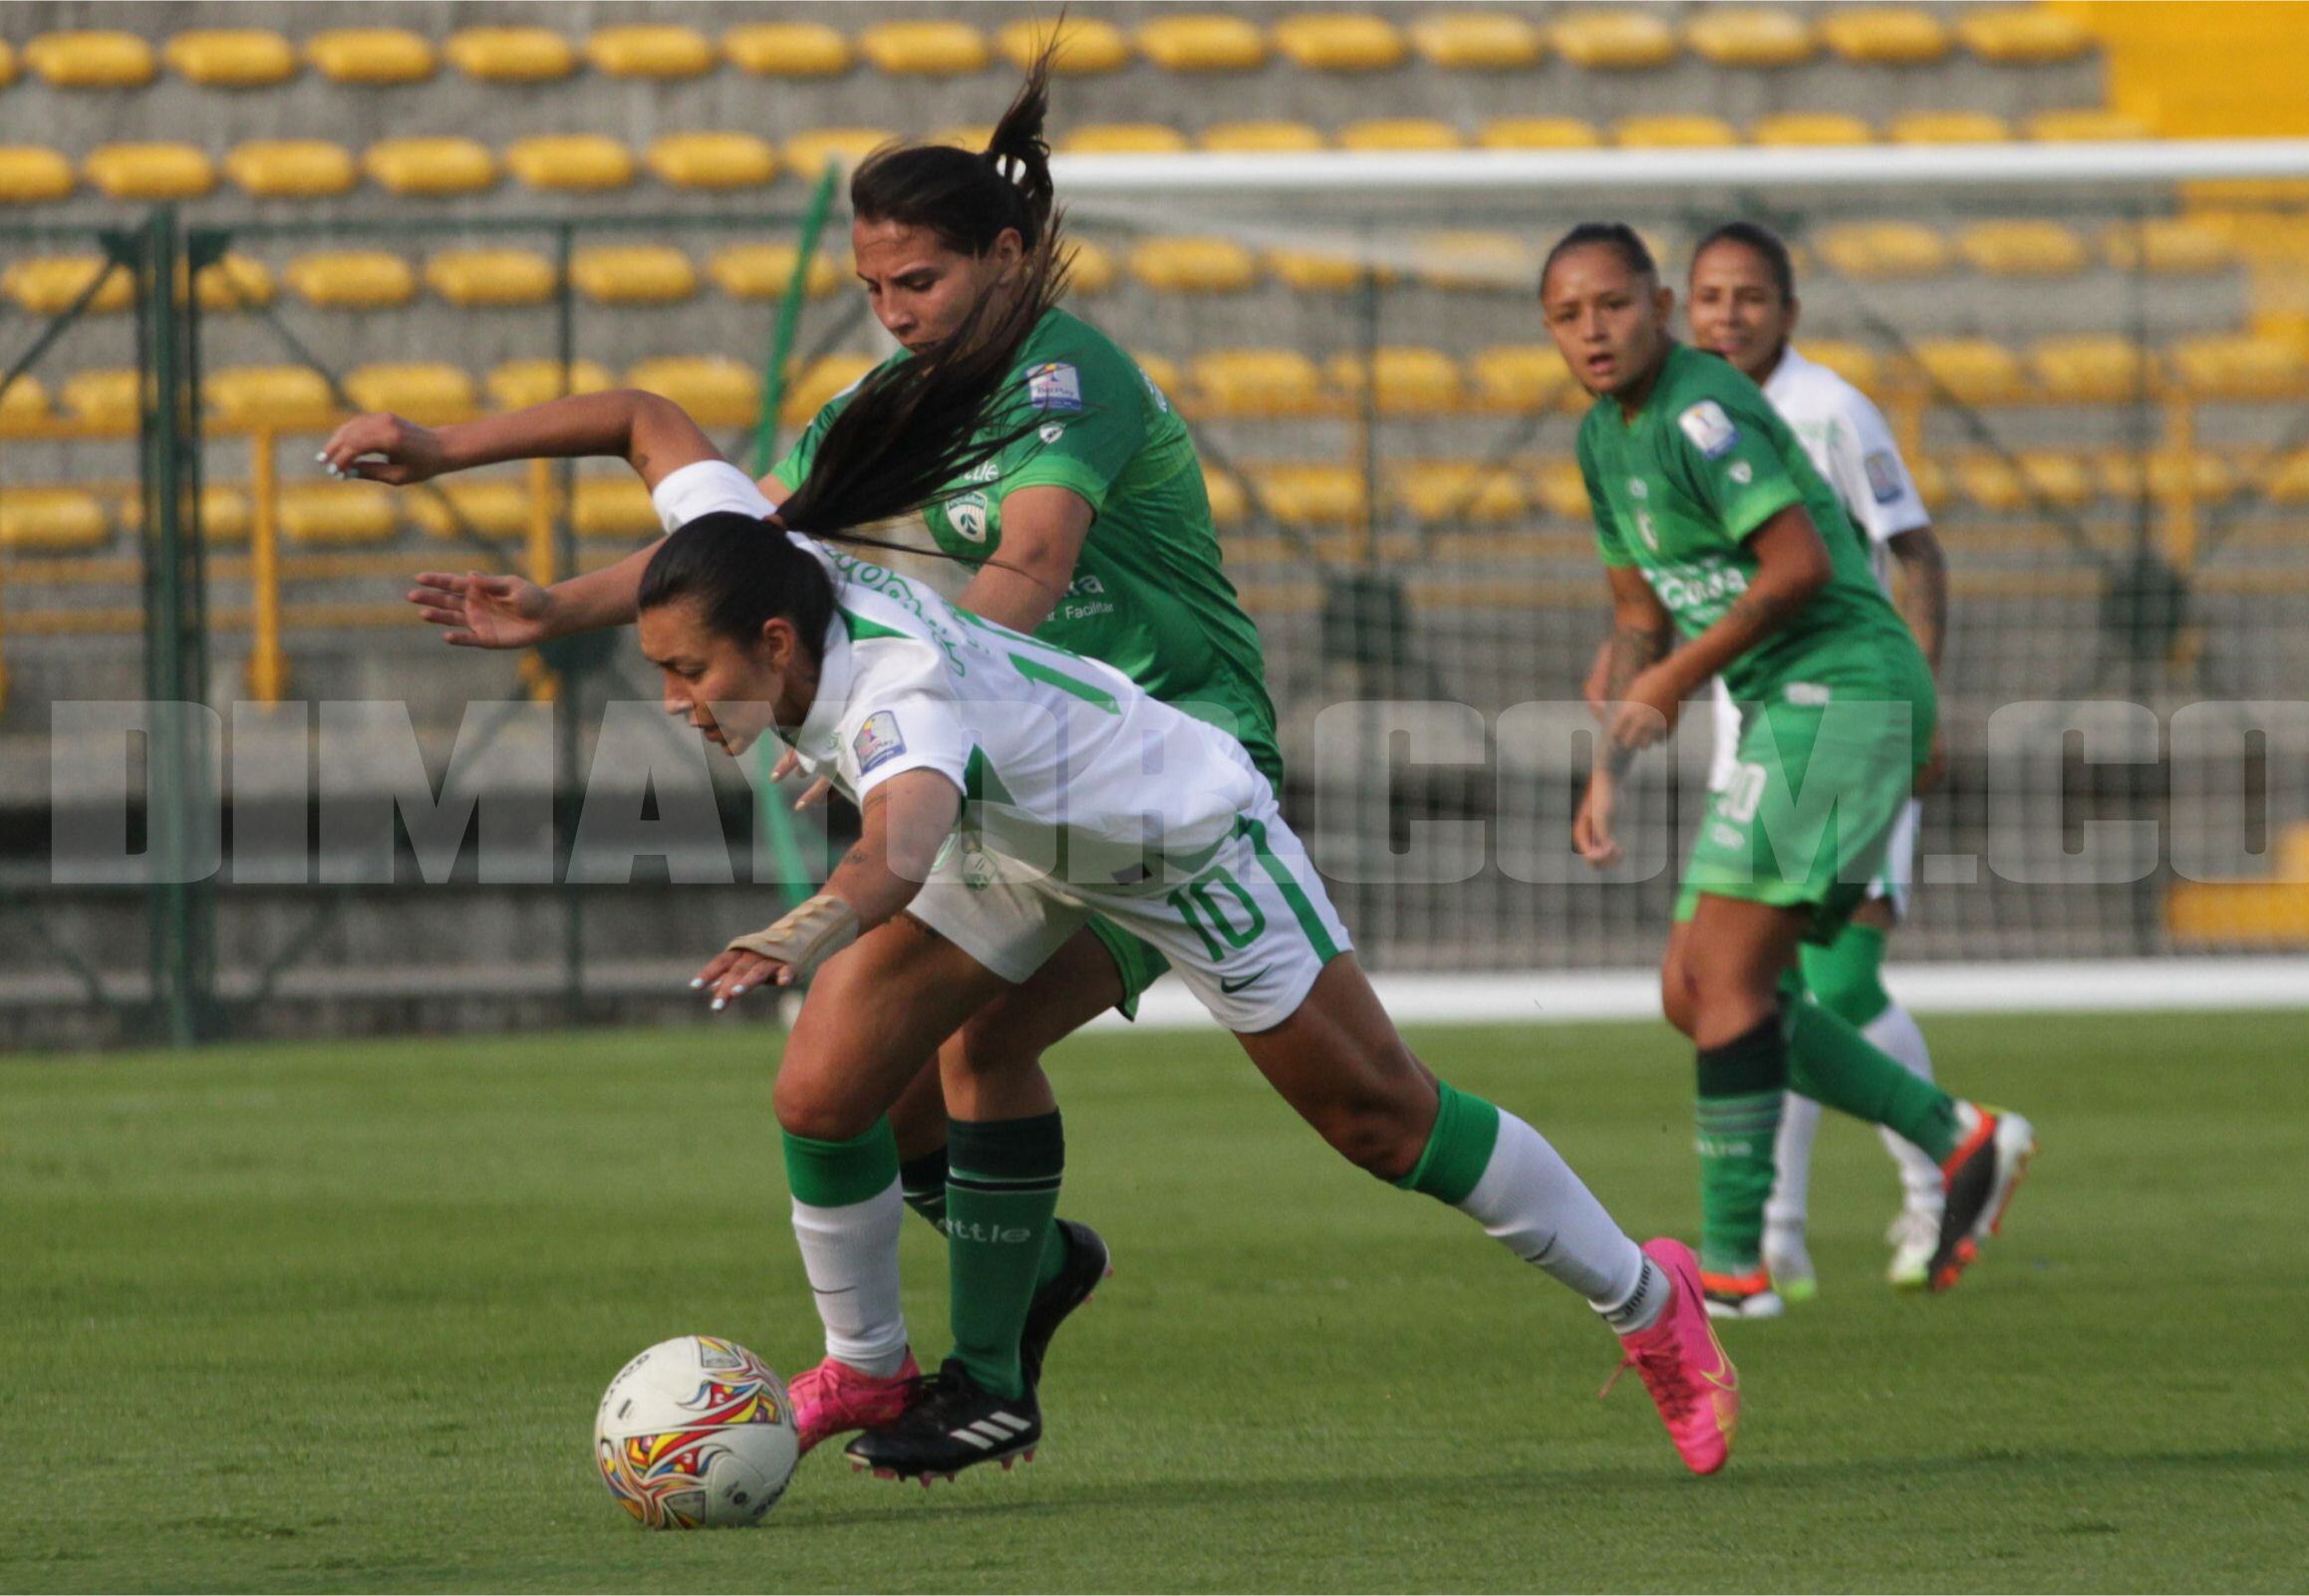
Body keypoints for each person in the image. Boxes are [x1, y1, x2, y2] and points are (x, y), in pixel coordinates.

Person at [324, 235, 1743, 1484]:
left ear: (772, 644)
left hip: (1182, 834)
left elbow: (900, 845)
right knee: (827, 1086)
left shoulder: (896, 698)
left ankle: (1647, 1297)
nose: (680, 700)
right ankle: (878, 1363)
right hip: (1025, 833)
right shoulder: (767, 568)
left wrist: (800, 931)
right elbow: (642, 418)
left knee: (1383, 1120)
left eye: (690, 675)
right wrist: (446, 455)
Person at [386, 51, 1279, 1454]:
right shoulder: (889, 406)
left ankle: (989, 1373)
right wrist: (560, 603)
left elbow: (1034, 565)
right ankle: (1013, 1287)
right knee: (850, 1077)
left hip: (1164, 778)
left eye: (914, 282)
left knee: (986, 1046)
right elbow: (757, 556)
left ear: (1003, 257)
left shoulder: (1069, 374)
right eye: (871, 288)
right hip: (990, 790)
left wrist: (915, 701)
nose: (892, 311)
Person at [1541, 220, 2035, 1318]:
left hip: (1844, 692)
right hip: (1787, 708)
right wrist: (1608, 762)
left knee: (1727, 981)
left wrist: (1674, 682)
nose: (1594, 331)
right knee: (1695, 987)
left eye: (1613, 306)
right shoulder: (1601, 439)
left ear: (1658, 306)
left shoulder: (1704, 409)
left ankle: (1736, 1268)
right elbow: (1636, 616)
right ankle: (1955, 1138)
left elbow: (1802, 566)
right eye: (1569, 317)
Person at [1684, 220, 1952, 1297]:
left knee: (1832, 982)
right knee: (1750, 987)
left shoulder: (1830, 410)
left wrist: (1921, 711)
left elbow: (1915, 553)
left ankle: (1943, 1181)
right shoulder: (1688, 420)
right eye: (1712, 296)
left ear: (1788, 311)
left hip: (1848, 727)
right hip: (1749, 738)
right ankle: (1779, 1237)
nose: (1731, 315)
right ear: (1685, 308)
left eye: (1752, 296)